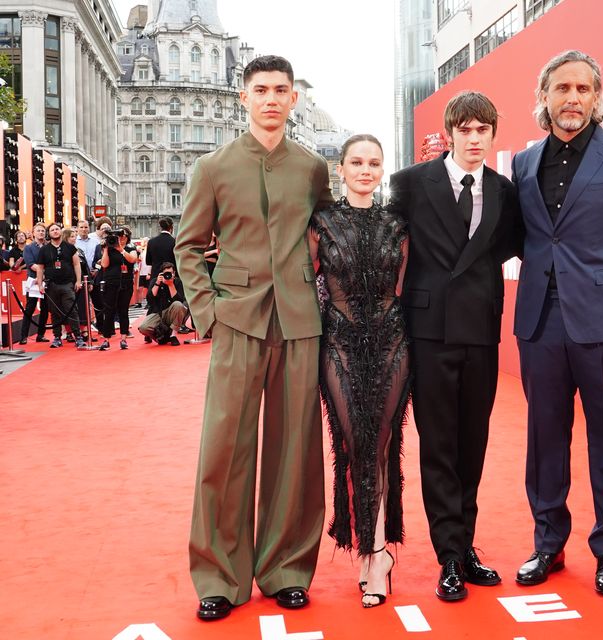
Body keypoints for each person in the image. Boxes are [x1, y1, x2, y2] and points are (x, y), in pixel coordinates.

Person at [175, 54, 333, 621]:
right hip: (236, 321)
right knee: (224, 450)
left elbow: (330, 240)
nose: (271, 99)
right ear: (244, 98)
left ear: (294, 99)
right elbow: (188, 246)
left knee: (296, 452)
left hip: (299, 322)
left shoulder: (315, 169)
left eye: (281, 90)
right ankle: (218, 575)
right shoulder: (212, 167)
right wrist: (208, 313)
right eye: (260, 89)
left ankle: (287, 568)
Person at [512, 50, 603, 597]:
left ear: (597, 98)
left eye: (582, 89)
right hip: (539, 322)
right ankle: (547, 544)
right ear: (544, 97)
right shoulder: (524, 162)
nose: (572, 98)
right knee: (543, 440)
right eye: (561, 88)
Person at [389, 91, 520, 602]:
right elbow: (390, 244)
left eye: (481, 130)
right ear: (449, 133)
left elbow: (507, 246)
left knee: (473, 444)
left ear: (491, 134)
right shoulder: (409, 184)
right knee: (439, 445)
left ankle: (465, 547)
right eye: (464, 129)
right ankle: (448, 554)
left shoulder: (504, 191)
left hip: (480, 331)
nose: (473, 138)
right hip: (429, 331)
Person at [309, 134, 410, 608]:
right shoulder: (321, 223)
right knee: (352, 444)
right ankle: (368, 545)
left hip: (392, 342)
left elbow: (406, 287)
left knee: (382, 444)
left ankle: (375, 554)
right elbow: (307, 284)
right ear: (342, 169)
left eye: (374, 162)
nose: (365, 170)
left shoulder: (397, 224)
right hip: (340, 345)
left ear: (382, 169)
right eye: (356, 162)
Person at [34, 223, 86, 348]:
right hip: (51, 285)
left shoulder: (69, 247)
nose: (55, 231)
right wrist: (40, 284)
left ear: (60, 232)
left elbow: (76, 264)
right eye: (52, 230)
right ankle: (57, 337)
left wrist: (78, 281)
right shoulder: (44, 250)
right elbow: (40, 268)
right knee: (55, 312)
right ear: (49, 233)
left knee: (72, 310)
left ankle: (78, 337)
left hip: (68, 284)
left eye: (57, 229)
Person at [97, 228, 137, 350]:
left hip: (126, 283)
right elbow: (104, 265)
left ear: (127, 237)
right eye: (118, 236)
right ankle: (106, 339)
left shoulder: (131, 249)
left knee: (123, 310)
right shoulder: (109, 249)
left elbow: (132, 259)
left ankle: (123, 339)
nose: (121, 238)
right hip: (110, 283)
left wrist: (121, 250)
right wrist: (106, 249)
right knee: (108, 311)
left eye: (123, 235)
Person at [137, 262, 187, 346]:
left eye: (170, 273)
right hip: (157, 312)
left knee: (179, 305)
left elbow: (179, 300)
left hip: (171, 312)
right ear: (161, 274)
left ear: (174, 273)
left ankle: (173, 335)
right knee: (143, 328)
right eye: (166, 273)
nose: (168, 275)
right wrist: (157, 283)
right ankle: (159, 337)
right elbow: (150, 299)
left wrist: (171, 284)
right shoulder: (155, 281)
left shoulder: (177, 282)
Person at [18, 224, 49, 344]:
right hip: (33, 282)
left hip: (47, 282)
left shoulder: (48, 246)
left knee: (45, 309)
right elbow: (31, 264)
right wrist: (43, 273)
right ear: (33, 233)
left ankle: (40, 335)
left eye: (43, 231)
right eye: (39, 231)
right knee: (29, 309)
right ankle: (23, 336)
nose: (41, 233)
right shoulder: (29, 248)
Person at [145, 217, 175, 285]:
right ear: (171, 227)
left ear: (160, 227)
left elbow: (148, 261)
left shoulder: (151, 242)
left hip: (155, 276)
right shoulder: (175, 242)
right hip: (170, 276)